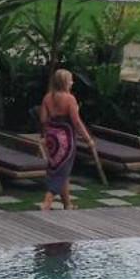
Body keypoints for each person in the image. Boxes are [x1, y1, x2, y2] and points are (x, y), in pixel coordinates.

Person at [38, 67, 91, 211]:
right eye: (71, 80)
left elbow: (43, 119)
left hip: (51, 138)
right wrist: (88, 139)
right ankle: (47, 202)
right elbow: (76, 121)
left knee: (60, 169)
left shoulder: (47, 97)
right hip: (65, 138)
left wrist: (44, 136)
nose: (72, 82)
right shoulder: (70, 99)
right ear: (65, 82)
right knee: (62, 171)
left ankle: (67, 204)